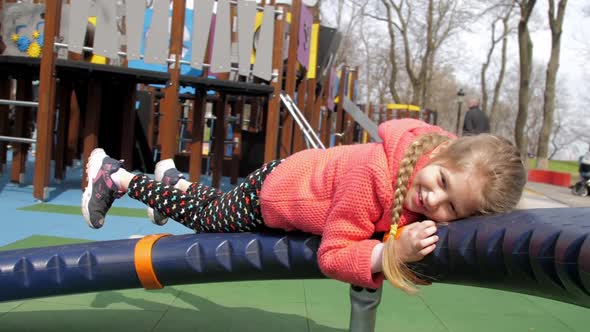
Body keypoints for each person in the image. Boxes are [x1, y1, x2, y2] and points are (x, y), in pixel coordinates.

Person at [82, 119, 526, 294]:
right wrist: (391, 253)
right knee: (210, 220)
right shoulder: (372, 178)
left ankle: (172, 182)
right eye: (441, 182)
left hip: (295, 174)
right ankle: (118, 178)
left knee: (213, 204)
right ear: (439, 157)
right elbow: (333, 255)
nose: (434, 200)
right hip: (275, 192)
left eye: (451, 208)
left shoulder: (424, 162)